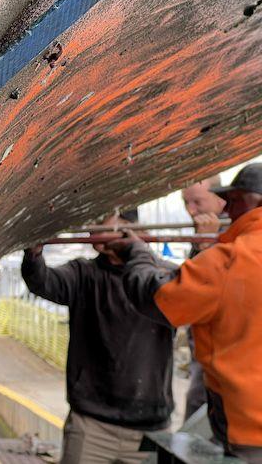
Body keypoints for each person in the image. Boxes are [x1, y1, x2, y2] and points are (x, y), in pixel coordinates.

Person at [113, 163, 262, 461]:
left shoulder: (233, 259)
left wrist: (137, 253)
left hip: (250, 432)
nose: (226, 210)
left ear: (254, 201)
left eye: (233, 201)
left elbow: (158, 299)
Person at [22, 209, 177, 464]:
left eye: (99, 222)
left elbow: (202, 294)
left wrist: (141, 253)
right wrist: (34, 254)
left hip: (150, 428)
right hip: (91, 424)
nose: (91, 231)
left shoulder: (161, 278)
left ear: (127, 228)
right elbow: (44, 282)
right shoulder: (83, 274)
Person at [180, 177, 226, 419]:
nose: (190, 210)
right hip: (205, 354)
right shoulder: (202, 234)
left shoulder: (232, 235)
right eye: (185, 202)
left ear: (220, 199)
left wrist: (206, 246)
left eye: (197, 202)